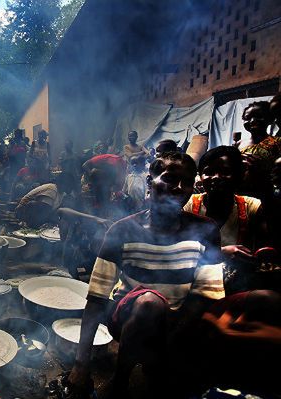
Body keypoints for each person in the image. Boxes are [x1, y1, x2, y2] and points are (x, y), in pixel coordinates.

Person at [68, 152, 225, 398]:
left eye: (187, 181)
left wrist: (171, 344)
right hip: (129, 315)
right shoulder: (122, 230)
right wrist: (81, 364)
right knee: (150, 303)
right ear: (150, 181)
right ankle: (120, 381)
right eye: (171, 178)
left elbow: (206, 296)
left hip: (177, 320)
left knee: (263, 300)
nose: (180, 188)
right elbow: (97, 298)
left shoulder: (205, 229)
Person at [184, 146, 268, 293]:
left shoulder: (252, 206)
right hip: (193, 284)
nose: (216, 177)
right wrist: (221, 253)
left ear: (239, 175)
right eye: (208, 172)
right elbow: (175, 250)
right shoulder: (189, 204)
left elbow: (267, 243)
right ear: (200, 176)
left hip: (237, 285)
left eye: (225, 172)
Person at [238, 101, 281, 169]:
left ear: (270, 119)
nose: (252, 121)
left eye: (259, 116)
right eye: (247, 118)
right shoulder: (239, 143)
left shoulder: (278, 142)